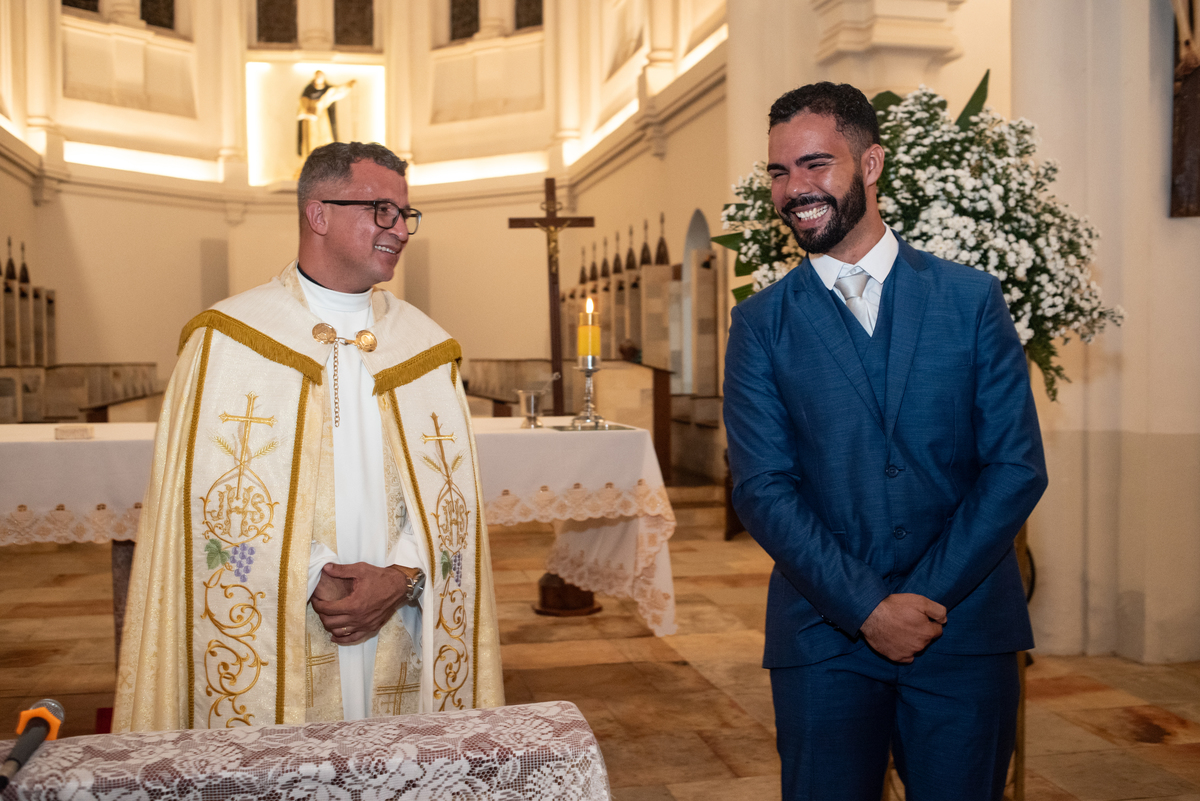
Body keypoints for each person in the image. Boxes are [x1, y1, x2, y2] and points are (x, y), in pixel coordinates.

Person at [723, 82, 1047, 800]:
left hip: (962, 630)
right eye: (779, 172)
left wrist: (921, 599)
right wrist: (868, 607)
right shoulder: (761, 326)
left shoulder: (969, 299)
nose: (794, 188)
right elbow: (762, 488)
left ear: (870, 165)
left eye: (815, 164)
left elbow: (1015, 466)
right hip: (824, 636)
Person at [115, 141, 504, 731]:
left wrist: (400, 578)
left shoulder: (425, 348)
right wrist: (316, 577)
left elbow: (452, 509)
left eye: (405, 215)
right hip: (284, 619)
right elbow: (209, 506)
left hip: (402, 616)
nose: (400, 230)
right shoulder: (227, 341)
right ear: (317, 214)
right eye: (382, 210)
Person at [298, 71, 356, 158]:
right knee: (311, 143)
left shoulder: (328, 91)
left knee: (325, 141)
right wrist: (308, 114)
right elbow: (301, 108)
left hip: (323, 119)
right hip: (310, 123)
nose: (319, 78)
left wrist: (349, 85)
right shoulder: (308, 90)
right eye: (317, 76)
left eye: (321, 76)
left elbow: (338, 91)